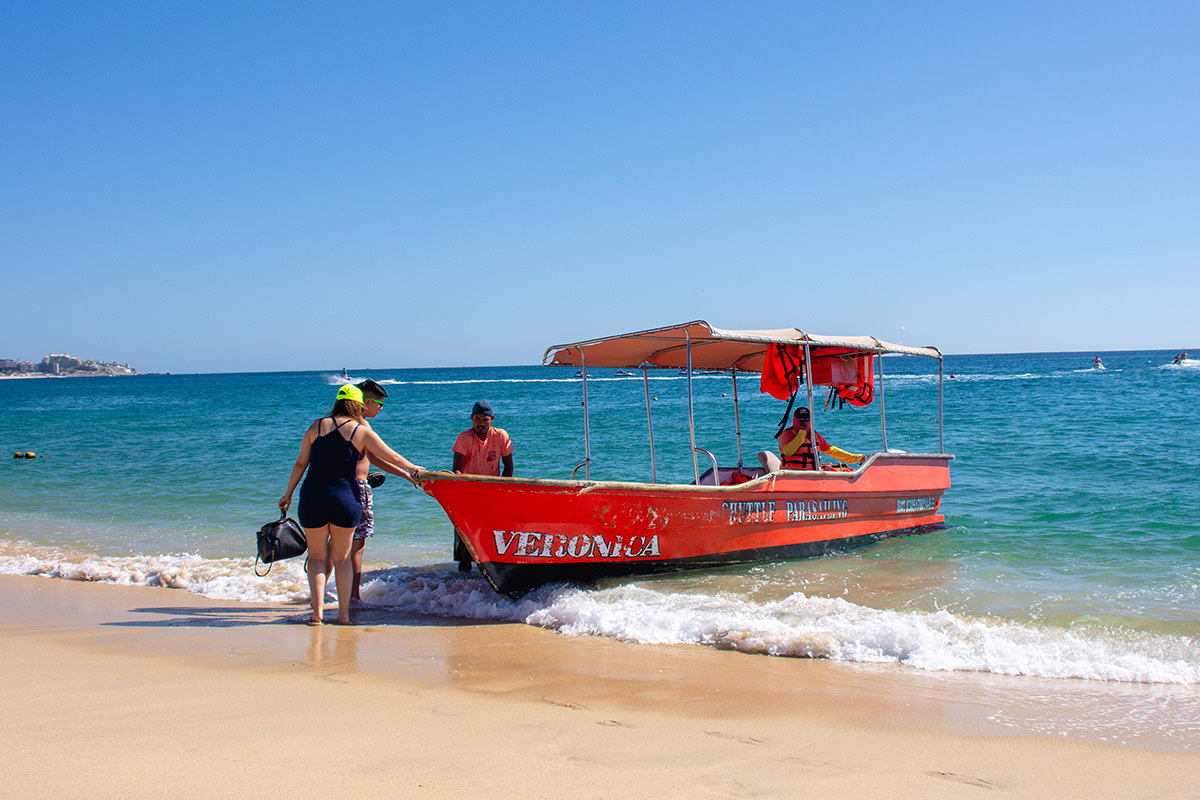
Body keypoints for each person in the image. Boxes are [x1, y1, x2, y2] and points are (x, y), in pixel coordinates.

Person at [279, 383, 423, 625]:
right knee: (342, 558)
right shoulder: (360, 431)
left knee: (315, 558)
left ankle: (317, 614)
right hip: (345, 497)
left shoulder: (316, 426)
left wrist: (288, 494)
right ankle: (344, 616)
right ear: (358, 404)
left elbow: (300, 463)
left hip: (313, 495)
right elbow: (391, 455)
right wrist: (413, 469)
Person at [450, 400, 514, 570]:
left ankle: (490, 570)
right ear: (471, 419)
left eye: (485, 419)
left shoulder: (501, 435)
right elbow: (456, 469)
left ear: (492, 419)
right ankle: (464, 575)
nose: (481, 423)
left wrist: (503, 489)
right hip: (467, 492)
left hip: (492, 492)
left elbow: (508, 465)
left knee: (490, 533)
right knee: (465, 535)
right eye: (477, 419)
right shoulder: (464, 438)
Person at [346, 379, 393, 609]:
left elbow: (372, 459)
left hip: (337, 488)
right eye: (379, 404)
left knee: (332, 545)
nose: (381, 409)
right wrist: (410, 472)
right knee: (357, 547)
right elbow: (382, 456)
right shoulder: (362, 426)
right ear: (366, 401)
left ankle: (321, 594)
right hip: (358, 489)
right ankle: (353, 597)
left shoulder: (334, 424)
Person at [758, 406, 863, 472]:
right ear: (795, 420)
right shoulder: (787, 434)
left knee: (839, 474)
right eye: (800, 419)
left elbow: (832, 451)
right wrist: (801, 434)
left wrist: (856, 458)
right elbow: (788, 452)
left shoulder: (815, 435)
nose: (804, 421)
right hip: (792, 474)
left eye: (806, 419)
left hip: (813, 473)